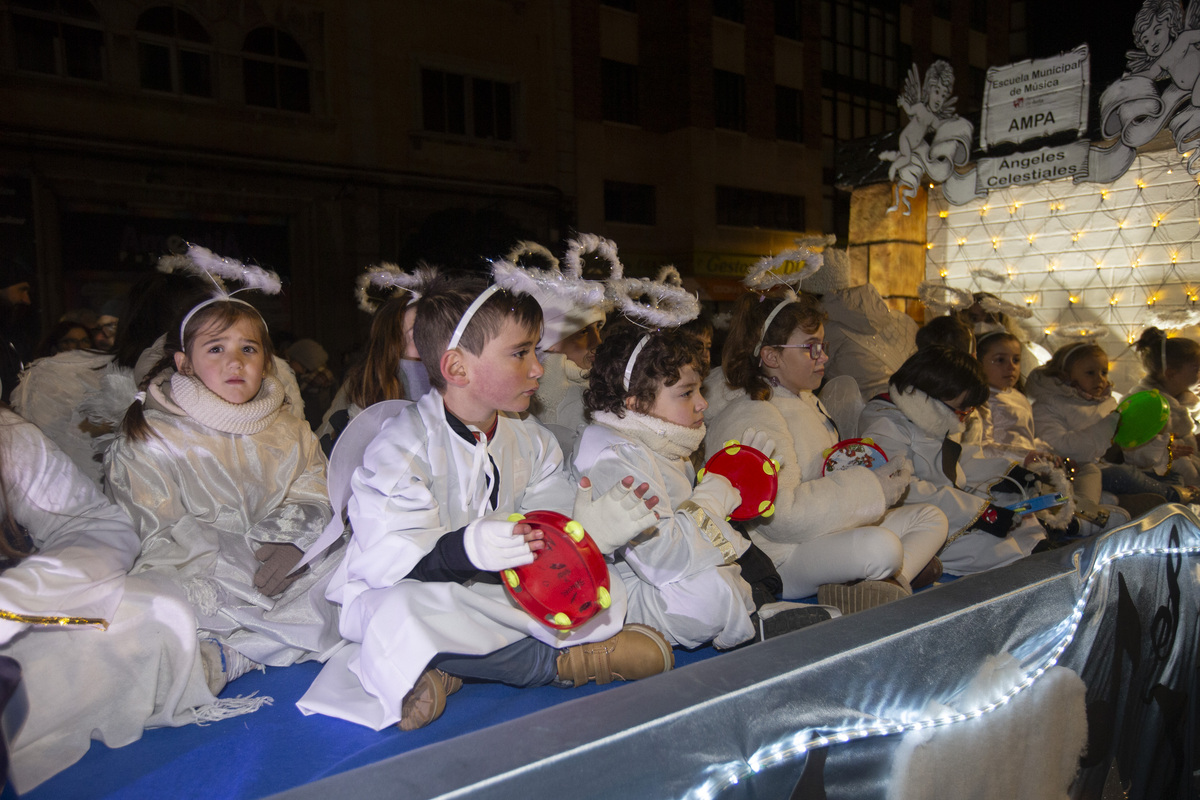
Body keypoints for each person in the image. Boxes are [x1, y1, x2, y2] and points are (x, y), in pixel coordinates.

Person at [298, 272, 673, 732]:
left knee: (598, 585)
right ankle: (556, 665)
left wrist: (583, 530)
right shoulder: (401, 450)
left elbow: (544, 512)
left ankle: (444, 669)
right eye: (520, 353)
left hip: (501, 583)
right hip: (420, 585)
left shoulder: (530, 439)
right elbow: (387, 557)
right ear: (457, 368)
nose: (538, 367)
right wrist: (466, 549)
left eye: (536, 350)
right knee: (400, 615)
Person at [105, 252, 340, 693]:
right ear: (185, 363)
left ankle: (237, 655)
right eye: (217, 349)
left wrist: (293, 539)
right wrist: (234, 557)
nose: (236, 362)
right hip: (206, 570)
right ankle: (251, 647)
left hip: (282, 563)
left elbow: (315, 486)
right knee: (157, 610)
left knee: (354, 573)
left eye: (248, 349)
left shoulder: (288, 428)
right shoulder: (154, 435)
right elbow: (154, 530)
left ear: (266, 361)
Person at [0, 407, 263, 793]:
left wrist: (18, 597)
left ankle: (192, 660)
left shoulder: (7, 435)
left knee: (147, 610)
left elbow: (89, 523)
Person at [706, 290, 946, 614]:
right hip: (782, 556)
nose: (824, 358)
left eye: (824, 346)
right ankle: (883, 579)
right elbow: (782, 517)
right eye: (811, 348)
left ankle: (886, 585)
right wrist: (872, 487)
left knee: (931, 516)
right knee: (884, 547)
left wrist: (873, 473)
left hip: (824, 531)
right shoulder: (755, 413)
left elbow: (823, 473)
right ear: (771, 356)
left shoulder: (804, 399)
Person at [859, 347, 1048, 575]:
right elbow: (906, 490)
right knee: (990, 547)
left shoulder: (924, 413)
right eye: (961, 410)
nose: (965, 416)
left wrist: (1006, 475)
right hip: (913, 519)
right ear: (933, 394)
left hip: (945, 504)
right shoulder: (885, 427)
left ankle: (1038, 552)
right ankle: (1031, 567)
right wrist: (980, 514)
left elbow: (949, 460)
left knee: (1014, 507)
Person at [1026, 341, 1193, 513]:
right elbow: (1062, 446)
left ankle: (1132, 501)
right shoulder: (1047, 405)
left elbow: (1123, 446)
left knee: (1172, 475)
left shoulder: (1106, 403)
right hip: (1075, 473)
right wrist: (1107, 425)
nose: (1100, 379)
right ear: (1065, 375)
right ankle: (1173, 497)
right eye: (1090, 373)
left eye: (1104, 372)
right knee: (1125, 475)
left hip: (1108, 467)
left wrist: (1160, 448)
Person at [506, 237, 611, 455]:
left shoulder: (602, 381)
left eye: (598, 328)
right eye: (583, 332)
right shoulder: (544, 390)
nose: (597, 342)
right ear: (548, 343)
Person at [316, 263, 431, 455]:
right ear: (393, 341)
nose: (429, 342)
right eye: (416, 334)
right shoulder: (364, 384)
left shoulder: (451, 382)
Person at [1128, 327, 1200, 489]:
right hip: (1159, 475)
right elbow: (1137, 450)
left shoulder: (1179, 403)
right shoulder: (1150, 405)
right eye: (1196, 369)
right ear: (1171, 374)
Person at [287, 338, 337, 431]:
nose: (289, 364)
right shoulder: (326, 379)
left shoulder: (309, 386)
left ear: (304, 362)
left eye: (292, 360)